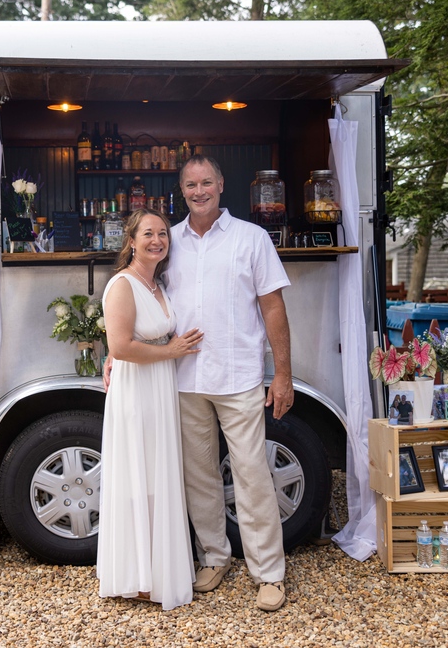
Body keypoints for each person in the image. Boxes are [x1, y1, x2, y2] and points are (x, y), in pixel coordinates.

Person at [166, 154, 293, 612]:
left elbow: (273, 308)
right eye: (190, 185)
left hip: (238, 375)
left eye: (206, 182)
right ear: (182, 190)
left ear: (221, 184)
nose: (198, 191)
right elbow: (140, 295)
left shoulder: (251, 238)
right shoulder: (168, 241)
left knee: (252, 476)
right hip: (184, 378)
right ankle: (215, 557)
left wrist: (282, 374)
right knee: (198, 476)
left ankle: (269, 574)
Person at [97, 209, 204, 610]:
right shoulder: (122, 285)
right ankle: (136, 574)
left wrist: (169, 349)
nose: (157, 240)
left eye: (163, 234)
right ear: (132, 241)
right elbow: (121, 347)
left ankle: (157, 571)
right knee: (136, 478)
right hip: (137, 393)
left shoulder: (157, 285)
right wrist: (170, 351)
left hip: (160, 389)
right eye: (148, 234)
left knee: (157, 478)